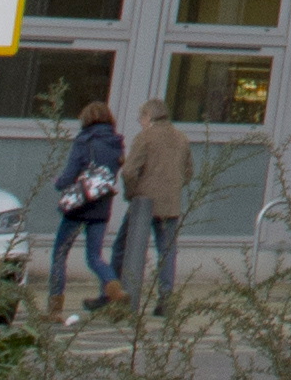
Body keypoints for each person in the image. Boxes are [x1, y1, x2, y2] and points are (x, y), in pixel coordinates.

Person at [49, 101, 128, 318]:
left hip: (78, 206)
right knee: (94, 256)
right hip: (102, 207)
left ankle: (54, 308)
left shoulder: (84, 141)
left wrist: (58, 183)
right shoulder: (116, 143)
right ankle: (114, 288)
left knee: (59, 254)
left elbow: (70, 174)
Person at [120, 88, 193, 311]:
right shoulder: (181, 138)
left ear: (148, 117)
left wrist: (132, 193)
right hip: (170, 204)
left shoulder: (145, 137)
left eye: (141, 118)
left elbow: (129, 171)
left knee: (124, 247)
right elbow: (189, 172)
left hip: (143, 202)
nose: (140, 122)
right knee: (167, 250)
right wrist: (173, 188)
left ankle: (119, 294)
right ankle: (166, 298)